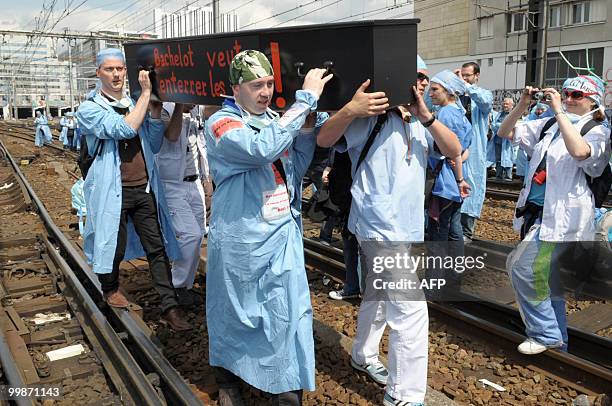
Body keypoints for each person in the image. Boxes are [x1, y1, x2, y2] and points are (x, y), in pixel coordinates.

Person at [317, 56, 463, 406]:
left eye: (426, 78)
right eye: (415, 76)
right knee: (411, 312)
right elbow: (324, 138)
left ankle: (363, 354)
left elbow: (455, 150)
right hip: (379, 226)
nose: (422, 83)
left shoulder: (419, 120)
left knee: (379, 294)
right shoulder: (370, 116)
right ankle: (404, 395)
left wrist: (426, 115)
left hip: (406, 226)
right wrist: (352, 109)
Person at [204, 50, 332, 405]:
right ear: (235, 88)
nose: (265, 91)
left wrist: (306, 128)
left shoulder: (278, 118)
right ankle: (229, 378)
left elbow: (296, 166)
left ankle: (285, 388)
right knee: (236, 311)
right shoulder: (221, 123)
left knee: (285, 313)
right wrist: (304, 102)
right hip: (241, 239)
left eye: (270, 83)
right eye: (255, 85)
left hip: (281, 235)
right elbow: (261, 149)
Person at [76, 48, 190, 331]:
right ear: (98, 73)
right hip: (111, 190)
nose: (116, 74)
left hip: (143, 188)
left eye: (120, 69)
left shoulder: (132, 104)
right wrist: (144, 97)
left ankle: (169, 306)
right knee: (114, 244)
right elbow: (123, 129)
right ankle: (110, 288)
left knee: (157, 247)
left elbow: (152, 143)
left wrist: (153, 113)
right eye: (109, 69)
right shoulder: (89, 109)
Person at [497, 75, 610, 355]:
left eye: (576, 95)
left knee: (523, 268)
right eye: (565, 94)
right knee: (549, 282)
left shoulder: (597, 129)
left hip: (564, 221)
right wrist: (522, 105)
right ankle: (560, 346)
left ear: (593, 101)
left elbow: (581, 152)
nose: (569, 99)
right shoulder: (549, 125)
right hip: (537, 215)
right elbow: (505, 132)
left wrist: (559, 110)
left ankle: (545, 333)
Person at [157, 102, 208, 307]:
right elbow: (172, 135)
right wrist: (180, 105)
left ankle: (185, 286)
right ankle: (176, 286)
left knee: (198, 234)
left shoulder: (198, 110)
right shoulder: (165, 108)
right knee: (190, 235)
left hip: (195, 182)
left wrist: (207, 180)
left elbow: (201, 146)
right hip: (172, 184)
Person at [456, 62, 493, 242]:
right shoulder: (454, 95)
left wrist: (466, 86)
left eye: (468, 75)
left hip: (474, 149)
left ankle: (466, 231)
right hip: (455, 148)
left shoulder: (483, 94)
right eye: (461, 75)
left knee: (472, 185)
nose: (464, 78)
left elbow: (485, 103)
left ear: (476, 76)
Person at [488, 98, 516, 181]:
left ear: (512, 105)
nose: (505, 105)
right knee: (498, 159)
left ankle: (508, 176)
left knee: (508, 158)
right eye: (504, 103)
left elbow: (513, 126)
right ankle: (498, 176)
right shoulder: (499, 114)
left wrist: (500, 126)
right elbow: (493, 125)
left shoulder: (514, 114)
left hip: (508, 141)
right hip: (498, 140)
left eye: (507, 104)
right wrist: (503, 126)